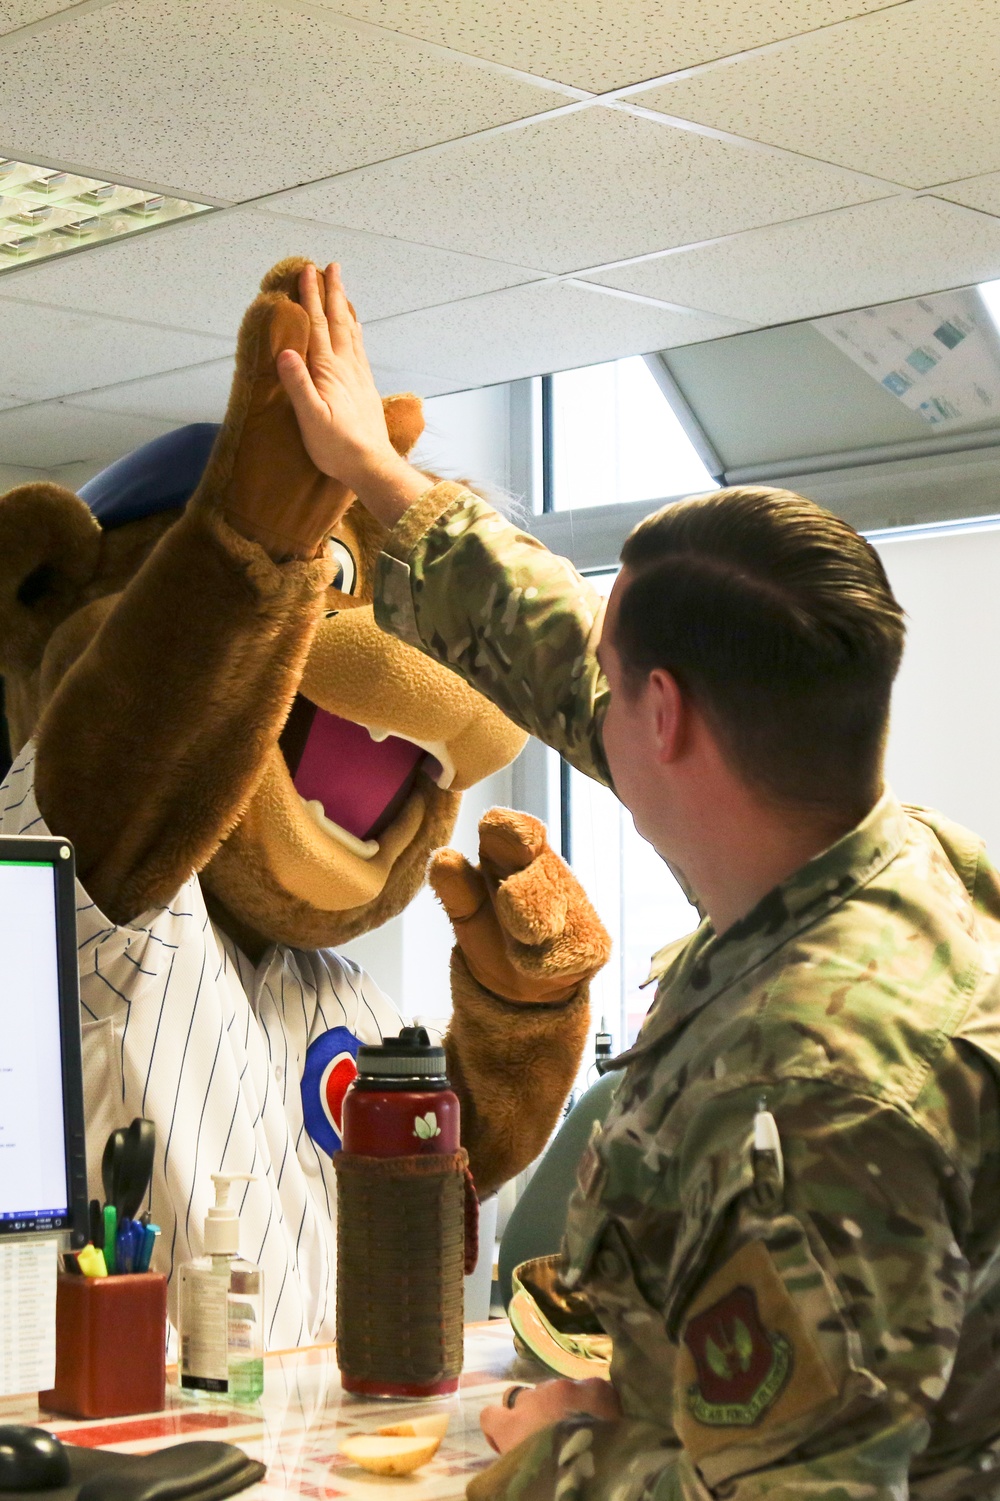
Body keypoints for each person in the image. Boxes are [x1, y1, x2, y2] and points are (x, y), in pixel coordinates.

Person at [275, 262, 1000, 1500]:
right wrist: (378, 483)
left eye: (620, 683)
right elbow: (559, 649)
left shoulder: (809, 1083)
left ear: (663, 719)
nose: (589, 703)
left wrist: (557, 1456)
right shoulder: (887, 855)